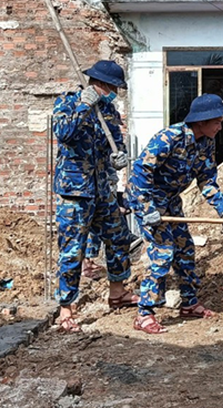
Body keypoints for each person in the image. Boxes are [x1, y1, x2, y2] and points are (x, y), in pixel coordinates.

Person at [126, 93, 223, 335]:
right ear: (201, 121)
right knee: (163, 251)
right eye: (217, 122)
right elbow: (140, 171)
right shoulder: (169, 138)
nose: (220, 127)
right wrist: (147, 210)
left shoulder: (206, 144)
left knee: (185, 248)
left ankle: (189, 303)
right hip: (147, 199)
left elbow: (207, 181)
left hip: (170, 200)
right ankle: (144, 314)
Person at [53, 60, 139, 333]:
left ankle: (117, 292)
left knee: (118, 238)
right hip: (75, 190)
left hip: (103, 189)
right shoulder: (68, 103)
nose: (115, 91)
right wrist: (83, 106)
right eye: (112, 87)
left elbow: (116, 142)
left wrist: (118, 157)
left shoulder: (110, 111)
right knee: (72, 249)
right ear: (100, 84)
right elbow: (64, 134)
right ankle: (66, 309)